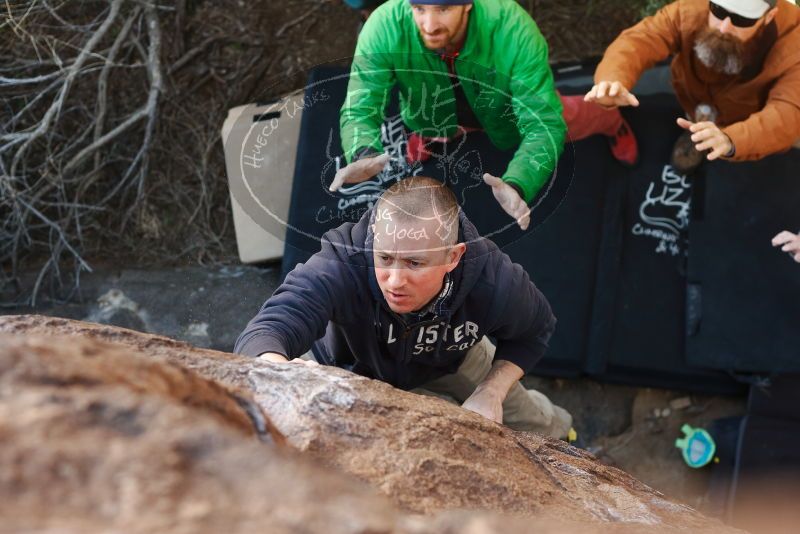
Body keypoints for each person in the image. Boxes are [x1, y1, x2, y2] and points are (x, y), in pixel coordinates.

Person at [235, 176, 573, 438]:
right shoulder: (345, 260)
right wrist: (279, 372)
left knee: (536, 423)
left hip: (452, 359)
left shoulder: (493, 278)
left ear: (452, 257)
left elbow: (535, 330)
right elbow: (269, 328)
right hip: (348, 363)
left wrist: (491, 392)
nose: (395, 281)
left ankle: (572, 440)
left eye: (414, 263)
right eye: (385, 258)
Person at [332, 0, 638, 232]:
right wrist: (362, 150)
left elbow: (542, 123)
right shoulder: (384, 25)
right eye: (419, 8)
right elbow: (361, 101)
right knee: (427, 127)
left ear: (467, 5)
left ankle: (611, 121)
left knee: (569, 118)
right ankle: (430, 134)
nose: (429, 24)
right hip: (432, 113)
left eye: (444, 9)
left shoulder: (513, 28)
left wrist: (519, 182)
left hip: (506, 114)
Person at [584, 0, 800, 173]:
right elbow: (642, 39)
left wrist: (733, 140)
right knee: (694, 123)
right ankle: (697, 136)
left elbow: (788, 112)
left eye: (741, 19)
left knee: (745, 146)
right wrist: (613, 78)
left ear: (768, 16)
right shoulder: (689, 8)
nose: (724, 27)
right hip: (691, 97)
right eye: (718, 9)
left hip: (745, 117)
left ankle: (718, 145)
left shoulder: (794, 42)